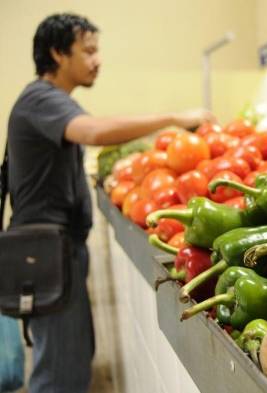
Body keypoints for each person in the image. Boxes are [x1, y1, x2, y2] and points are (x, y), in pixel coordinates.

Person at [6, 13, 216, 393]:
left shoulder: (48, 101)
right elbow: (96, 132)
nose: (97, 60)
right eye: (88, 51)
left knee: (71, 361)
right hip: (48, 253)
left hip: (57, 251)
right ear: (57, 53)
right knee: (58, 375)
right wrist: (172, 117)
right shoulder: (41, 99)